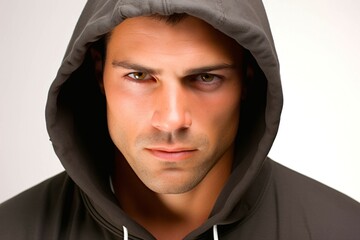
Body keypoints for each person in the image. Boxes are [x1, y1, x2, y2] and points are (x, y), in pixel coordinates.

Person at [0, 0, 359, 239]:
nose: (171, 120)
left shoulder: (342, 230)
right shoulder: (13, 229)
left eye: (206, 78)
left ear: (249, 79)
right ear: (98, 74)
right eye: (139, 77)